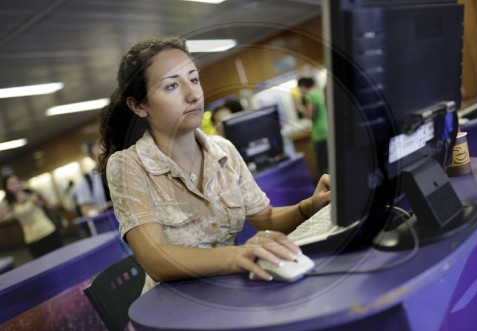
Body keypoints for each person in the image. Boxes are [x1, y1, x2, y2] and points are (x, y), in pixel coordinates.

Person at [99, 36, 331, 293]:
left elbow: (265, 217)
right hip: (175, 305)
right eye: (172, 86)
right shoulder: (127, 165)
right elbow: (156, 259)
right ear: (139, 105)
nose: (193, 94)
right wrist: (238, 255)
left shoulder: (224, 150)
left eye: (194, 79)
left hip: (230, 289)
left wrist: (309, 206)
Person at [0, 173, 64, 259]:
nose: (15, 185)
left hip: (48, 231)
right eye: (11, 184)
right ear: (7, 188)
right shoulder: (10, 204)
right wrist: (4, 210)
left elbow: (50, 206)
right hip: (31, 238)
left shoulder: (32, 193)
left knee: (60, 258)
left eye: (16, 182)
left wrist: (40, 202)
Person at [297, 77, 329, 180]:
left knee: (323, 167)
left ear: (303, 86)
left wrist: (301, 108)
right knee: (329, 163)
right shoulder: (319, 92)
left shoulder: (310, 95)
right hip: (327, 130)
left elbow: (310, 115)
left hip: (319, 133)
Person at [73, 140, 112, 219]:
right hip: (106, 222)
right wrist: (108, 206)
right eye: (97, 153)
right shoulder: (87, 179)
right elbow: (86, 210)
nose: (102, 154)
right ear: (91, 156)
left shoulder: (120, 169)